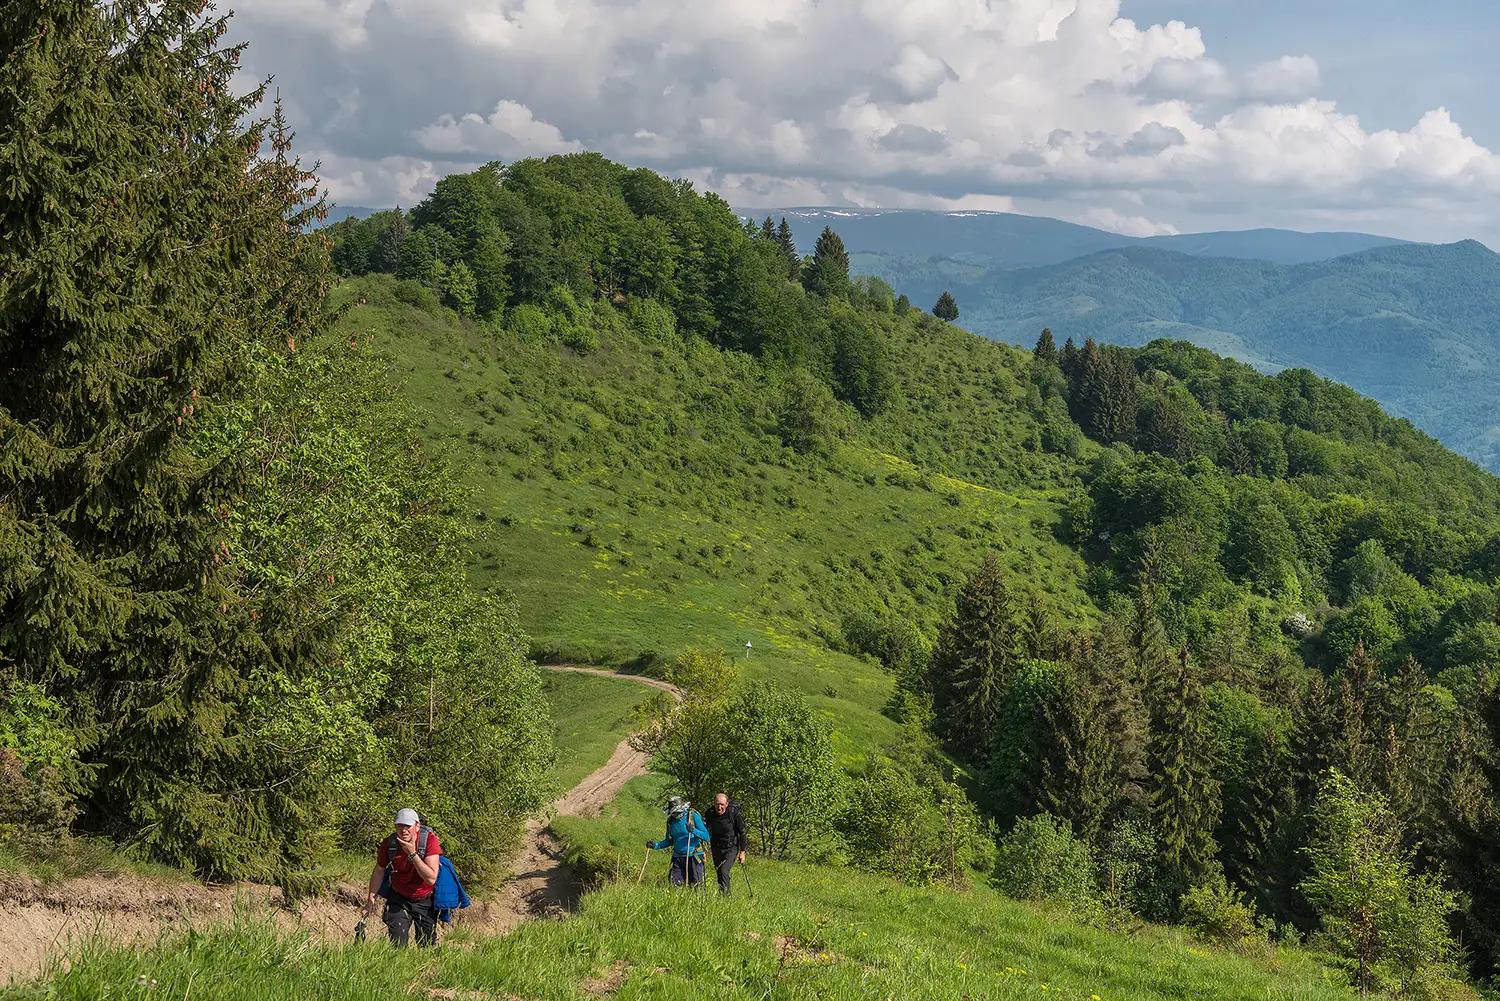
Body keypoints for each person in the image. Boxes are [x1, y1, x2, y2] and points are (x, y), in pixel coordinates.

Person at [364, 807, 441, 946]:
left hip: (425, 900)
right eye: (400, 825)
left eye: (408, 826)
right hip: (398, 898)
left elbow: (431, 878)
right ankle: (400, 967)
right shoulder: (389, 843)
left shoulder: (429, 841)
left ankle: (425, 968)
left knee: (426, 945)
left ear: (417, 826)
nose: (403, 830)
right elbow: (379, 871)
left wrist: (412, 854)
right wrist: (370, 901)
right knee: (398, 944)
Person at [647, 795, 710, 888]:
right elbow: (669, 841)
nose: (673, 815)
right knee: (674, 885)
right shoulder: (670, 821)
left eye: (675, 812)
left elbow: (706, 836)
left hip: (694, 857)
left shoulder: (692, 817)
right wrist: (655, 845)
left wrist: (693, 830)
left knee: (697, 887)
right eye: (672, 813)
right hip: (678, 858)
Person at [705, 792, 747, 895]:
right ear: (714, 804)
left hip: (731, 847)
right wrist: (703, 850)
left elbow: (742, 832)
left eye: (722, 805)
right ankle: (722, 894)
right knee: (719, 872)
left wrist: (742, 852)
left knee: (724, 871)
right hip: (716, 846)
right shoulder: (710, 813)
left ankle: (726, 896)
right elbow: (704, 831)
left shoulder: (733, 813)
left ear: (726, 804)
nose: (719, 807)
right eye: (717, 804)